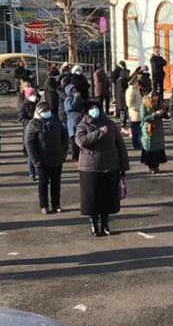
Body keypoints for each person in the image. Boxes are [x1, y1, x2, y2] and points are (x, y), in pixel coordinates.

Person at [75, 102, 129, 237]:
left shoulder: (110, 124)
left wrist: (124, 165)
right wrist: (99, 132)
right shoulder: (82, 125)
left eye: (97, 108)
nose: (95, 110)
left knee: (107, 197)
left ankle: (105, 224)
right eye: (92, 108)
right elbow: (81, 141)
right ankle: (94, 224)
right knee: (93, 198)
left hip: (110, 166)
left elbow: (120, 145)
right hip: (90, 168)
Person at [25, 102, 68, 214]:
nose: (47, 112)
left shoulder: (55, 121)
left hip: (57, 158)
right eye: (44, 111)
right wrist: (35, 161)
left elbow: (64, 136)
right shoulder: (34, 124)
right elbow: (29, 143)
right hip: (42, 160)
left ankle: (56, 204)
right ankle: (44, 205)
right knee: (43, 184)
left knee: (56, 183)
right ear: (38, 112)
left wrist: (64, 151)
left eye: (48, 110)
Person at [140, 91, 168, 174]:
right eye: (153, 96)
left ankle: (156, 166)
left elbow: (164, 115)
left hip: (158, 130)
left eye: (156, 96)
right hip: (149, 130)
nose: (155, 98)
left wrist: (165, 113)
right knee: (150, 148)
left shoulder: (160, 104)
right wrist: (155, 114)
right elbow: (144, 118)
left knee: (158, 148)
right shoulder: (145, 105)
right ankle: (151, 167)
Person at [19, 87, 39, 179]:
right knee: (31, 153)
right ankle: (32, 172)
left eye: (34, 93)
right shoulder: (24, 105)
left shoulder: (37, 103)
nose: (33, 96)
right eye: (31, 94)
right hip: (29, 130)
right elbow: (21, 118)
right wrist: (31, 122)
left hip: (38, 129)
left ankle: (39, 170)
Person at [64, 84, 83, 161]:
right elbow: (71, 106)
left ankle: (80, 155)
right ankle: (75, 156)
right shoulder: (68, 100)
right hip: (73, 124)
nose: (75, 91)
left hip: (79, 122)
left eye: (75, 89)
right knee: (74, 142)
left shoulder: (77, 98)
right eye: (72, 90)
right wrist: (76, 97)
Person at [125, 75, 143, 150]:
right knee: (135, 131)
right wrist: (136, 109)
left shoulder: (136, 89)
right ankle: (136, 145)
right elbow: (129, 104)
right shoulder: (131, 90)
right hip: (134, 113)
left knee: (139, 130)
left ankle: (139, 143)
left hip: (139, 112)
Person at [112, 61, 130, 127]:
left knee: (123, 111)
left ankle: (123, 123)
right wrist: (126, 97)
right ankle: (122, 124)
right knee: (123, 111)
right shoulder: (121, 81)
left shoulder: (122, 80)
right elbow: (122, 91)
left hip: (121, 98)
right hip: (122, 98)